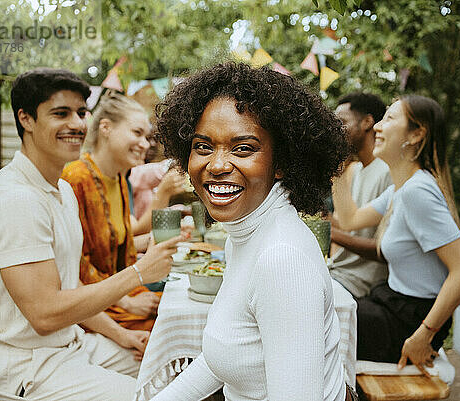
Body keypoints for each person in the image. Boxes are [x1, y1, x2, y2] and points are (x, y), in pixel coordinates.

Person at [0, 68, 182, 401]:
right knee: (154, 396)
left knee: (171, 364)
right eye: (60, 113)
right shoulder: (14, 199)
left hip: (69, 345)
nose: (78, 124)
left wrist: (122, 336)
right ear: (26, 119)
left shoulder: (62, 191)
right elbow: (46, 312)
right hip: (21, 367)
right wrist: (139, 272)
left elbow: (70, 283)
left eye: (81, 113)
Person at [145, 62, 353, 400]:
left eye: (243, 148)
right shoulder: (247, 234)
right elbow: (224, 358)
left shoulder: (281, 260)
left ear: (283, 163)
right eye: (203, 146)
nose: (216, 165)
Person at [339, 94, 460, 373]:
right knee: (324, 305)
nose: (377, 126)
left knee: (321, 320)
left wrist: (424, 335)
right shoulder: (401, 188)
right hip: (391, 303)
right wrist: (338, 167)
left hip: (410, 321)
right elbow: (350, 219)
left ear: (416, 135)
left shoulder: (417, 191)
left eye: (388, 119)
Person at [61, 92, 170, 332]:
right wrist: (127, 301)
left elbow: (123, 248)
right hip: (92, 306)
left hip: (121, 292)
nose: (146, 144)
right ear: (106, 128)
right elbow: (74, 267)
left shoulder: (119, 179)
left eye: (147, 136)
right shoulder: (76, 179)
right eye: (137, 133)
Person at [329, 92, 392, 298]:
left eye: (342, 122)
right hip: (339, 271)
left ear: (367, 122)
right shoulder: (356, 170)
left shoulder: (388, 171)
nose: (335, 129)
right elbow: (350, 225)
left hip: (362, 282)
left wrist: (328, 232)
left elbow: (385, 247)